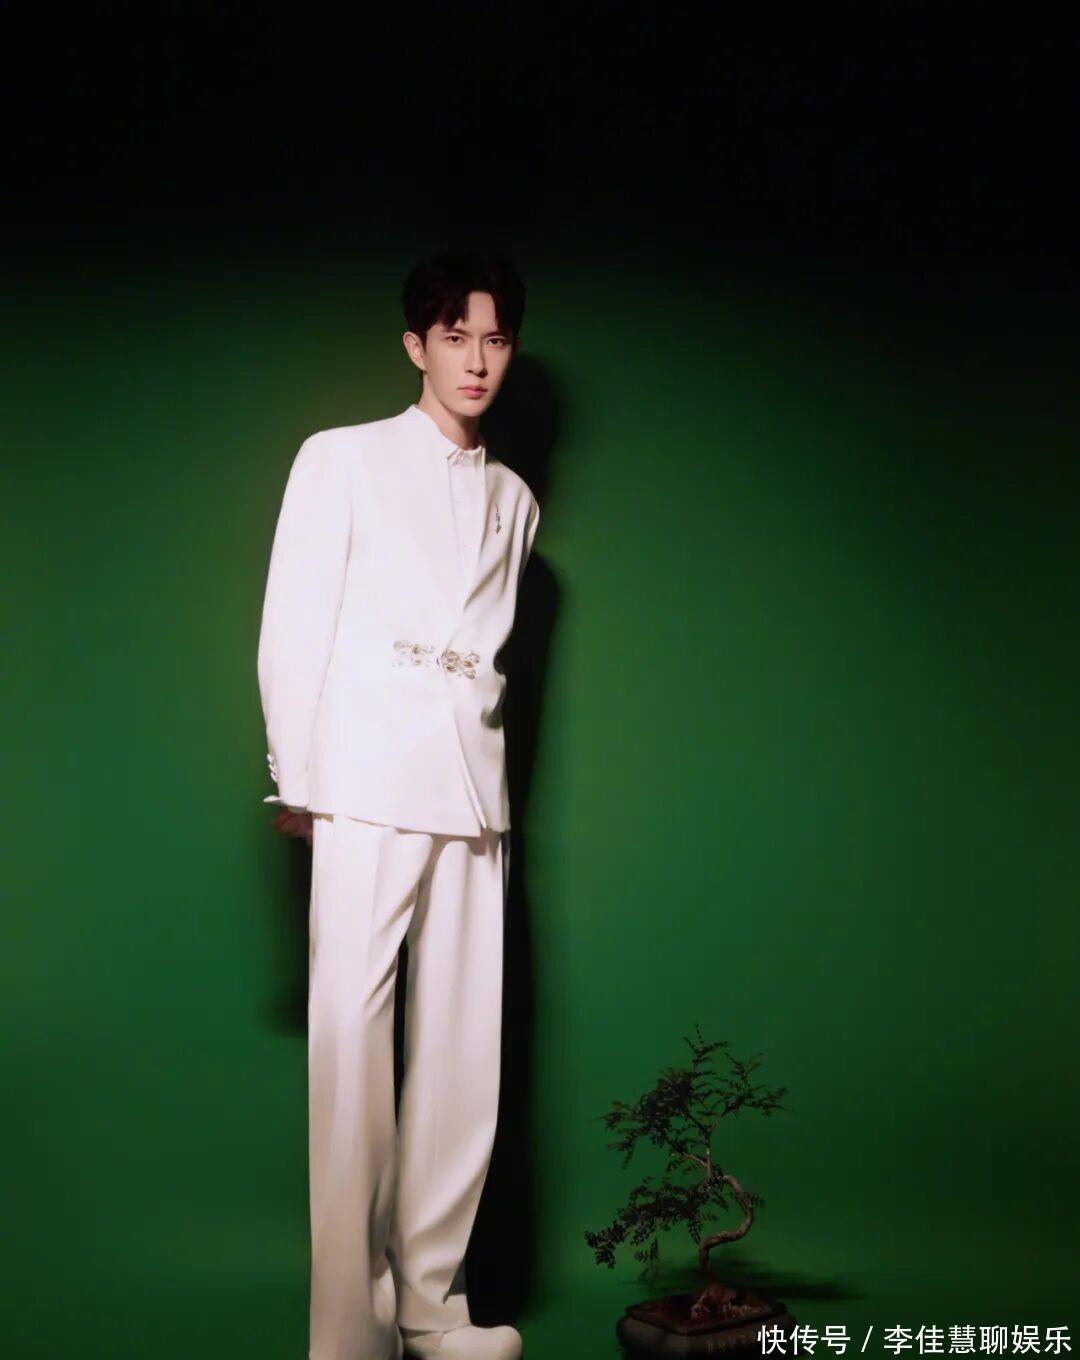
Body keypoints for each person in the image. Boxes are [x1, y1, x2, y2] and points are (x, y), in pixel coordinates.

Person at [257, 250, 539, 1360]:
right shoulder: (342, 457)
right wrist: (299, 777)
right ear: (416, 344)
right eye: (456, 336)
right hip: (365, 778)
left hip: (474, 790)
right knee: (351, 1049)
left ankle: (432, 1305)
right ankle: (349, 1330)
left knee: (465, 1053)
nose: (477, 361)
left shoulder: (517, 501)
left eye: (496, 339)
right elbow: (294, 622)